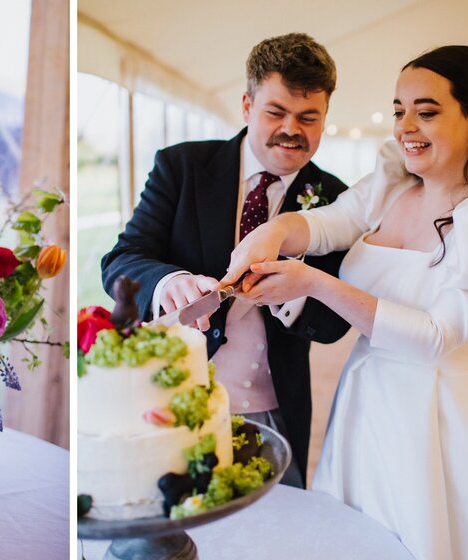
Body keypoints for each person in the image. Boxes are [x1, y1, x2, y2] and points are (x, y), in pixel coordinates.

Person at [221, 45, 468, 559]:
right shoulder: (393, 184)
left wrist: (312, 283)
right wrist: (274, 231)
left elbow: (438, 337)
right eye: (399, 111)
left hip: (443, 417)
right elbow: (329, 221)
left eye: (427, 111)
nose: (406, 127)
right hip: (365, 401)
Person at [101, 33, 352, 488]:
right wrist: (167, 281)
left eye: (308, 117)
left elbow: (335, 324)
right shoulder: (182, 167)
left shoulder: (337, 199)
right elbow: (122, 259)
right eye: (276, 112)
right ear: (246, 105)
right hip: (171, 400)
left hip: (274, 411)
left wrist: (293, 294)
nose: (291, 129)